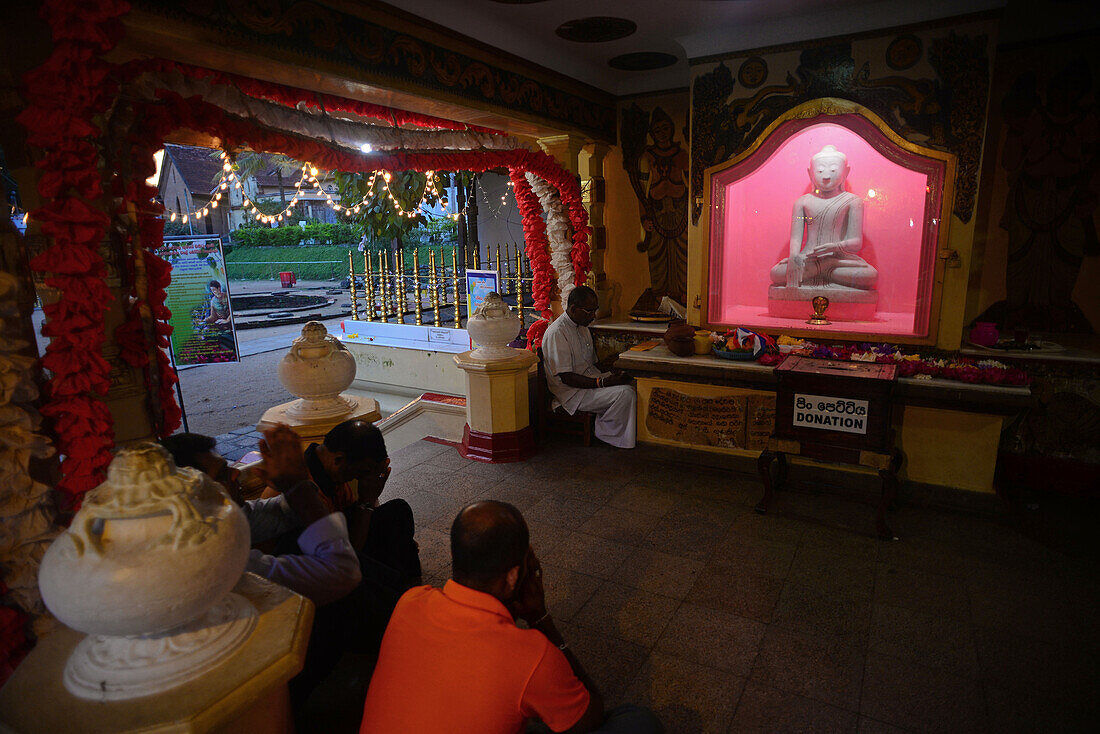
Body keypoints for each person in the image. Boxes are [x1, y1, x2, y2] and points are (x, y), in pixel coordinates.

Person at [359, 501, 663, 734]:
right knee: (637, 721)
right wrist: (541, 618)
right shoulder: (533, 655)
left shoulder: (410, 602)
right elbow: (590, 715)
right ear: (516, 574)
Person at [160, 427, 361, 607]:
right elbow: (344, 574)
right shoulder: (214, 564)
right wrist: (297, 486)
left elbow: (289, 512)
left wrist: (295, 484)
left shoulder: (222, 518)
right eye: (222, 475)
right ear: (191, 499)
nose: (236, 474)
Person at [769, 145, 877, 290]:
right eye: (820, 171)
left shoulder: (853, 201)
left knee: (870, 275)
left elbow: (856, 242)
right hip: (808, 259)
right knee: (776, 273)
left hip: (839, 260)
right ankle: (824, 269)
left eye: (833, 170)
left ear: (846, 172)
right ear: (810, 173)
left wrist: (835, 247)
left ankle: (824, 267)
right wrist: (795, 257)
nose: (826, 176)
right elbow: (796, 238)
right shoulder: (802, 202)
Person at [541, 286, 636, 449]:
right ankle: (605, 433)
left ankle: (613, 429)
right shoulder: (557, 332)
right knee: (626, 394)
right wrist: (604, 382)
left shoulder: (583, 327)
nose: (593, 316)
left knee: (633, 382)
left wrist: (612, 364)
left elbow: (590, 366)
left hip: (589, 382)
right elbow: (567, 377)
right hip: (571, 393)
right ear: (573, 309)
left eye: (595, 310)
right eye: (589, 311)